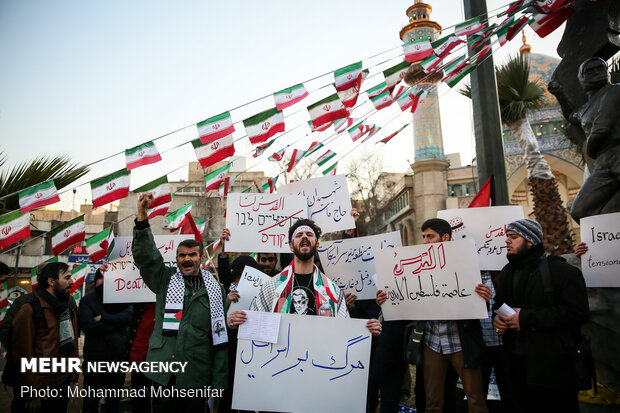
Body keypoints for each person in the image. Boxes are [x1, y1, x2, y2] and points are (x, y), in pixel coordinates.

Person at [377, 218, 492, 413]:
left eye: (430, 236)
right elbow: (406, 296)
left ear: (445, 238)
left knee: (475, 399)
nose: (425, 241)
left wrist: (484, 298)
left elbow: (477, 305)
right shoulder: (416, 265)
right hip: (432, 341)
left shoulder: (466, 263)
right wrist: (386, 299)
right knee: (433, 401)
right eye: (423, 237)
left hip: (461, 341)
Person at [132, 193, 228, 413]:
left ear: (201, 258)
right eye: (182, 255)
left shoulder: (216, 291)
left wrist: (218, 385)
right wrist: (142, 215)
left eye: (192, 255)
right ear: (176, 259)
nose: (187, 259)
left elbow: (220, 340)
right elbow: (146, 256)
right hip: (162, 374)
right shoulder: (164, 280)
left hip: (195, 376)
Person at [492, 219, 589, 413]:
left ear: (530, 241)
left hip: (553, 370)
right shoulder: (507, 272)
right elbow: (500, 305)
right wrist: (499, 321)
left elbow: (577, 312)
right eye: (507, 237)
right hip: (515, 368)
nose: (507, 241)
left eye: (514, 237)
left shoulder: (561, 271)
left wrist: (526, 319)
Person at [227, 218, 381, 335]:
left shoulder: (332, 290)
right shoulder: (272, 286)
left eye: (309, 234)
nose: (304, 237)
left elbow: (343, 333)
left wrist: (365, 330)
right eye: (299, 235)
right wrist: (236, 321)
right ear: (291, 246)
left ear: (317, 245)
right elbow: (255, 324)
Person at [10, 262, 79, 413]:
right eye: (67, 277)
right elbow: (23, 353)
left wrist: (73, 376)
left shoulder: (68, 307)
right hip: (41, 385)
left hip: (62, 381)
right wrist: (32, 390)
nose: (72, 281)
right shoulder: (29, 310)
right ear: (51, 282)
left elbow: (72, 344)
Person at [569, 57, 620, 221]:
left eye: (600, 68)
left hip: (616, 153)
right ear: (581, 78)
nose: (597, 73)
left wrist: (590, 151)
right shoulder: (587, 107)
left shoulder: (614, 91)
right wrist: (560, 95)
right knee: (579, 211)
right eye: (589, 71)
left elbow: (601, 128)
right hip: (603, 162)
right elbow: (572, 117)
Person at [79, 268, 133, 413]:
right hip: (95, 361)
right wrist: (116, 324)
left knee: (113, 403)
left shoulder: (121, 299)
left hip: (117, 360)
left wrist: (103, 318)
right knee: (90, 402)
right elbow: (87, 325)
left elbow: (128, 317)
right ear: (96, 281)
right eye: (102, 279)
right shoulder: (87, 301)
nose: (105, 283)